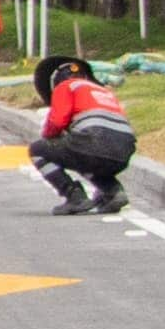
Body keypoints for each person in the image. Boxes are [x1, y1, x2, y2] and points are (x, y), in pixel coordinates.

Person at [28, 53, 138, 216]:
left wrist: (50, 138)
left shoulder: (66, 86)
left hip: (93, 141)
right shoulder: (102, 91)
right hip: (124, 151)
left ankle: (74, 196)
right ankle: (113, 191)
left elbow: (56, 122)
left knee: (38, 150)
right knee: (81, 154)